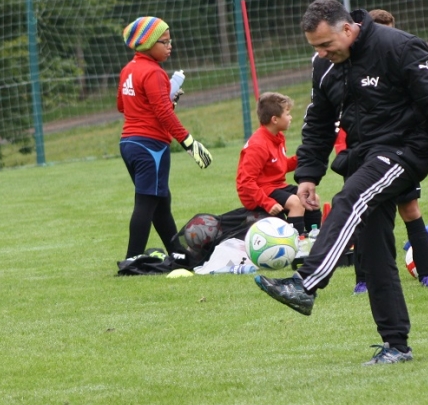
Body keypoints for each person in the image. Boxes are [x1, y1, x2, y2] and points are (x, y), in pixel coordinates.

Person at [254, 0, 428, 365]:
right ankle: (397, 344)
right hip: (364, 155)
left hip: (405, 150)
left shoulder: (399, 46)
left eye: (326, 45)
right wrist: (307, 175)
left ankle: (305, 284)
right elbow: (318, 123)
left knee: (350, 198)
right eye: (315, 47)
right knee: (375, 249)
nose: (321, 53)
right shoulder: (325, 66)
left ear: (348, 29)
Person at [344, 9, 428, 293]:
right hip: (367, 157)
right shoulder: (355, 69)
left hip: (401, 153)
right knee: (364, 215)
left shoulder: (403, 61)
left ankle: (427, 274)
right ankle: (362, 279)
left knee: (410, 210)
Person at [117, 16, 214, 261]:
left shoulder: (128, 69)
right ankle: (132, 258)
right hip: (150, 146)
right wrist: (190, 144)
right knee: (147, 201)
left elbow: (122, 106)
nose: (170, 46)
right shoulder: (154, 72)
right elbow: (162, 114)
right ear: (147, 43)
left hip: (128, 143)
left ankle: (177, 252)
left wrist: (165, 100)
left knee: (160, 198)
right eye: (164, 41)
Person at [235, 92, 321, 235]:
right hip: (257, 192)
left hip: (275, 186)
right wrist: (267, 203)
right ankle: (295, 246)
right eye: (287, 114)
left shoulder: (278, 137)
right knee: (295, 203)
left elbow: (280, 166)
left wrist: (304, 157)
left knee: (312, 198)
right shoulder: (258, 145)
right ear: (275, 119)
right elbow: (246, 182)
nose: (291, 117)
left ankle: (315, 240)